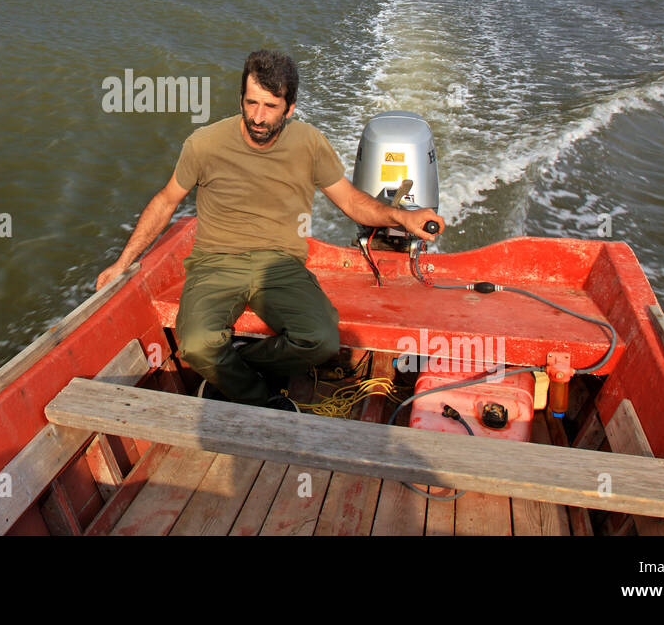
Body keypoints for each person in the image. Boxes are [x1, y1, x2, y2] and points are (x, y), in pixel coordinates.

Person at [95, 49, 445, 409]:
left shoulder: (309, 143)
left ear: (289, 108)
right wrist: (123, 263)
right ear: (241, 100)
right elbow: (166, 201)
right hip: (216, 263)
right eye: (251, 103)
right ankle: (265, 399)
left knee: (321, 341)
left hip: (281, 266)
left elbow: (352, 202)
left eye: (270, 106)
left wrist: (402, 217)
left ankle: (237, 367)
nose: (257, 118)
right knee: (197, 345)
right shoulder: (204, 144)